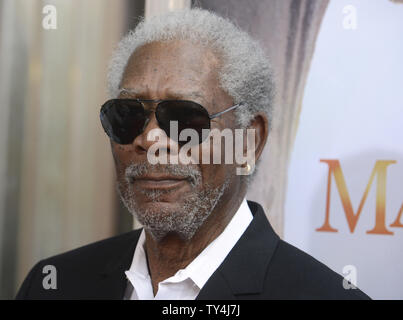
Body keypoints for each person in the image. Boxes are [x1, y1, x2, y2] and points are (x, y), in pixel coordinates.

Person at [16, 8, 369, 300]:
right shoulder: (54, 284)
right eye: (128, 115)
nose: (150, 139)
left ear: (249, 141)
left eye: (185, 117)